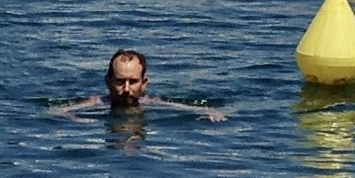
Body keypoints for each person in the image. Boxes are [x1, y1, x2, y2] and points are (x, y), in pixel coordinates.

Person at [53, 49, 229, 119]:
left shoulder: (152, 102)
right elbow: (54, 112)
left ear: (144, 83)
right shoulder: (96, 103)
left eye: (133, 82)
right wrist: (75, 119)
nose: (127, 89)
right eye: (120, 82)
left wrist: (212, 112)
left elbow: (184, 107)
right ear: (108, 82)